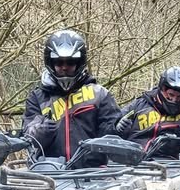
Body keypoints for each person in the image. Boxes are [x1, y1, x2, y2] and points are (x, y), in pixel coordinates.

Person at [22, 29, 121, 159]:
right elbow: (28, 136)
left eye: (70, 62)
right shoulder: (37, 98)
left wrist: (118, 127)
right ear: (50, 62)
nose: (64, 67)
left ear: (79, 62)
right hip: (49, 168)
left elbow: (111, 135)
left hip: (93, 169)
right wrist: (41, 131)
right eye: (59, 62)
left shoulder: (99, 94)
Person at [115, 67, 180, 152]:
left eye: (179, 96)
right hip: (132, 157)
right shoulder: (138, 105)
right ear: (162, 89)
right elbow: (111, 126)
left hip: (167, 160)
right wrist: (118, 127)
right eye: (171, 95)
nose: (174, 99)